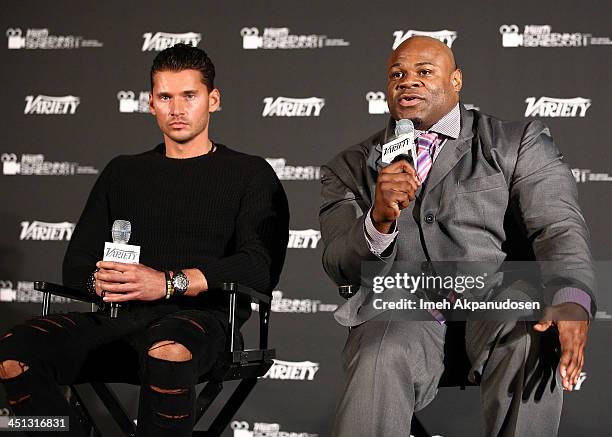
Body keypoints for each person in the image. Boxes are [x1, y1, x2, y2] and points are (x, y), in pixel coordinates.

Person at [0, 43, 289, 437]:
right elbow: (78, 262)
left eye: (189, 95)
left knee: (167, 347)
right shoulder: (122, 172)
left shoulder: (250, 174)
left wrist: (168, 282)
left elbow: (260, 266)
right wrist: (99, 283)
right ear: (150, 103)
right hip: (119, 323)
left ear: (213, 100)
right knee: (16, 350)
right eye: (165, 97)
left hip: (202, 326)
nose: (177, 108)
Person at [319, 36, 595, 437]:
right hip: (403, 308)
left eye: (424, 72)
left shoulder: (515, 141)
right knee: (379, 353)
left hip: (496, 299)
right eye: (397, 74)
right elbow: (340, 265)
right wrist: (378, 220)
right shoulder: (351, 166)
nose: (407, 82)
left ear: (456, 80)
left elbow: (558, 226)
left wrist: (572, 296)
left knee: (531, 335)